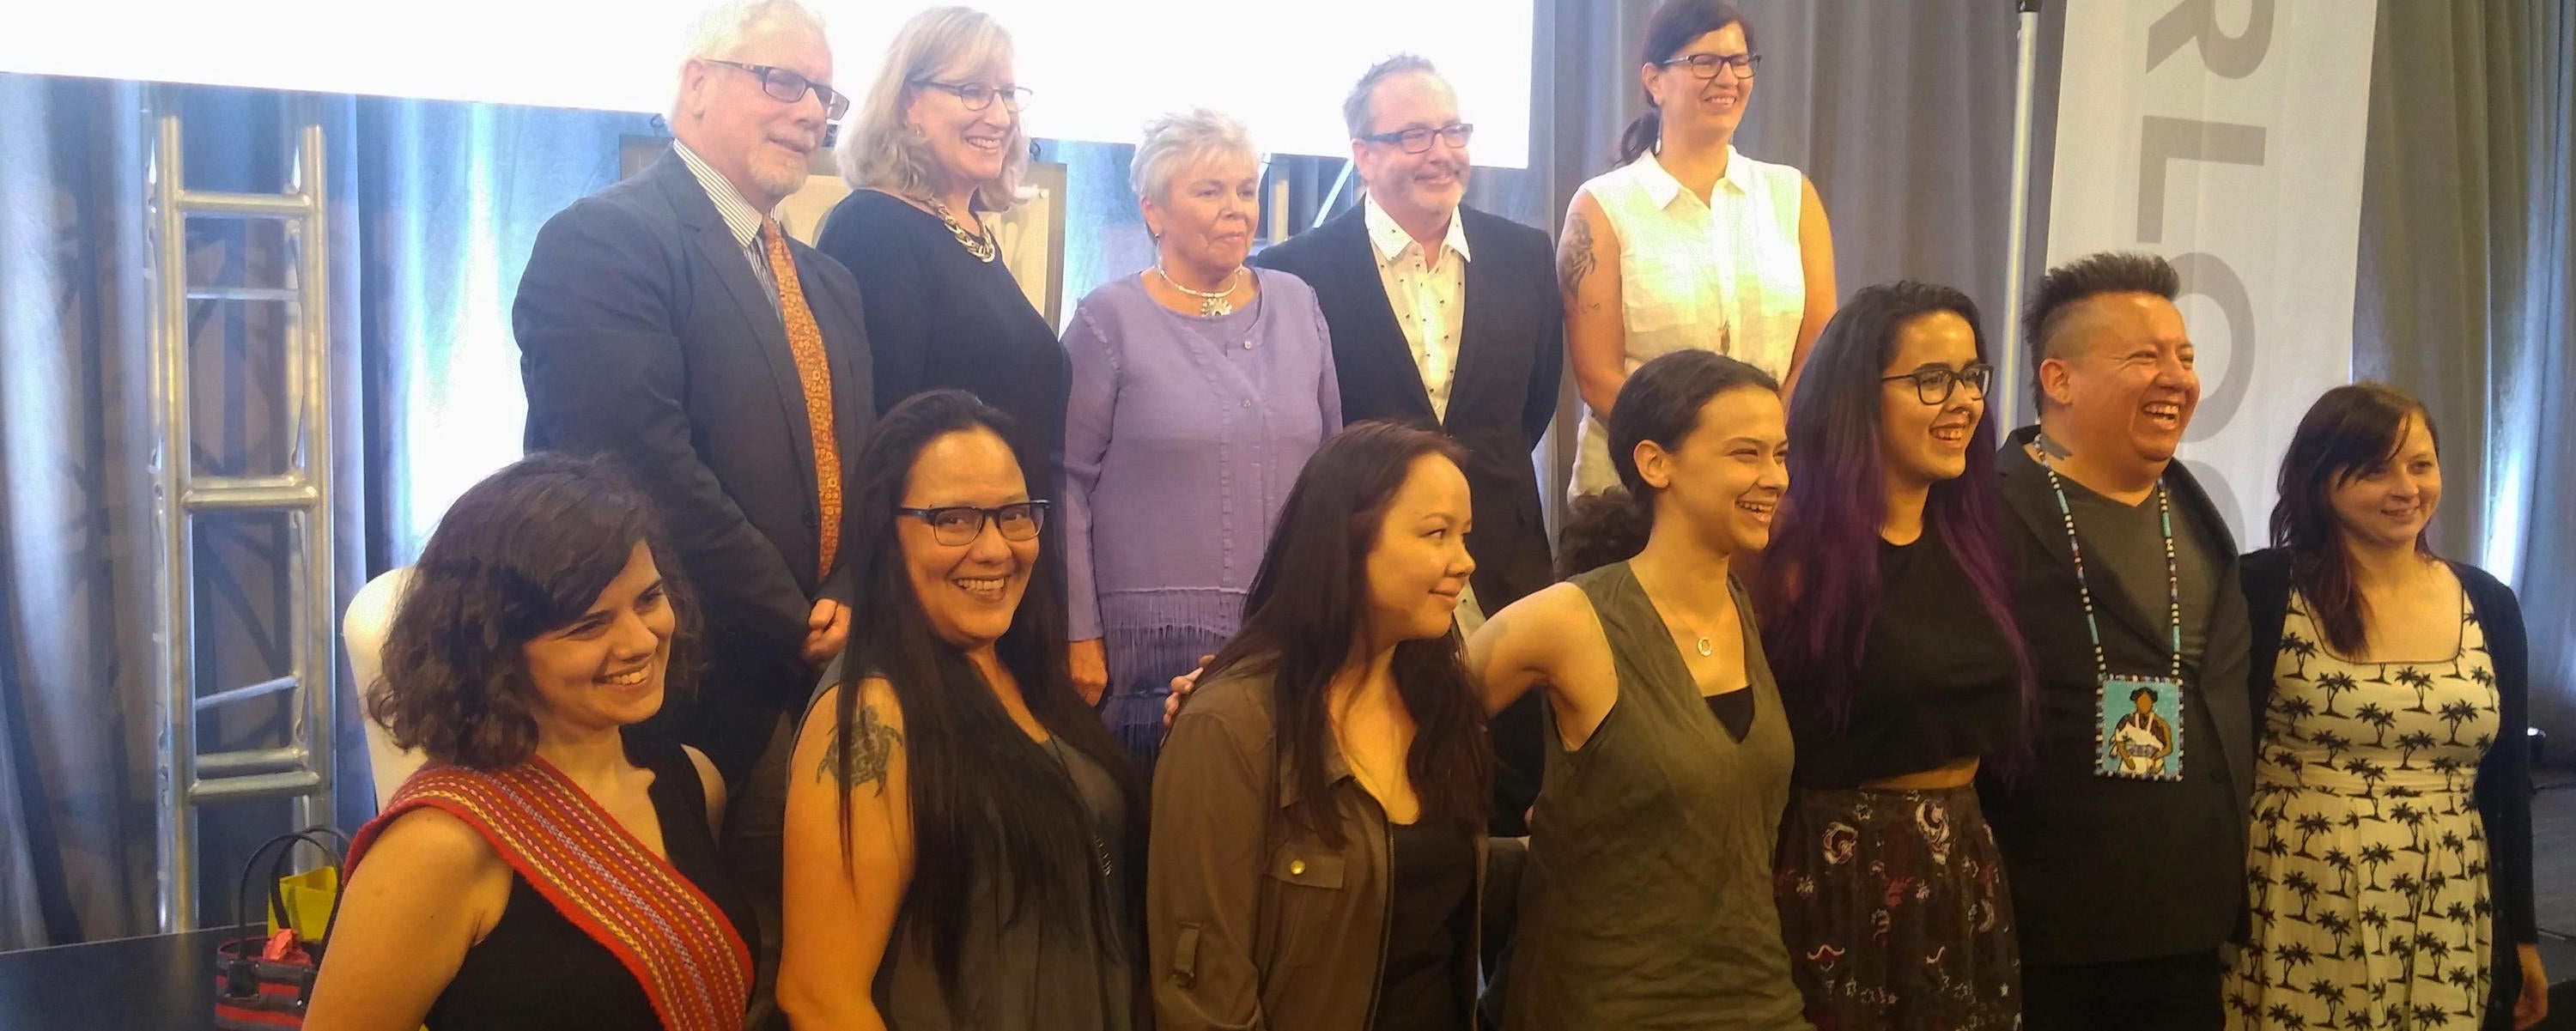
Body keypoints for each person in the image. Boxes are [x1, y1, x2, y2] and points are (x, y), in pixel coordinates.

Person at [512, 5, 866, 1004]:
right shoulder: (605, 242)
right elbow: (639, 473)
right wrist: (800, 618)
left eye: (824, 94)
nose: (808, 112)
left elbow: (859, 461)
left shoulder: (829, 282)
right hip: (672, 688)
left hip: (816, 689)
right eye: (781, 81)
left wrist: (846, 586)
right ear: (695, 84)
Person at [307, 456, 754, 1031]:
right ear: (495, 647)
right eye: (590, 624)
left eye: (648, 599)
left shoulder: (692, 780)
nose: (641, 638)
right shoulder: (434, 848)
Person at [1250, 55, 1564, 836]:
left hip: (1506, 561)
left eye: (1454, 131)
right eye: (1414, 134)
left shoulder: (1526, 255)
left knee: (1513, 786)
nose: (1442, 151)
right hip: (1370, 577)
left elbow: (1531, 407)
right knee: (1393, 790)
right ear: (1363, 155)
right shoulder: (1295, 272)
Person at [776, 391, 1144, 1031]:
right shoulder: (872, 715)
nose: (996, 548)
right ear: (886, 532)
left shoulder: (1024, 674)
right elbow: (820, 996)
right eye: (953, 519)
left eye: (1013, 514)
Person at [1470, 349, 1807, 1029]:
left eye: (1780, 453)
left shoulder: (1751, 605)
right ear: (1656, 463)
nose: (1774, 478)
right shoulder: (1570, 618)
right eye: (1746, 454)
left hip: (1756, 991)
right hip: (1602, 999)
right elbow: (1397, 723)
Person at [1981, 252, 2253, 1031]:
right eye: (2145, 356)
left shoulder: (2195, 510)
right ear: (2059, 379)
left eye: (2186, 357)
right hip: (2049, 930)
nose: (2177, 377)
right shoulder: (1988, 517)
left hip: (2188, 927)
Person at [1148, 421, 1495, 1031]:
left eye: (1465, 535)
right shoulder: (1232, 726)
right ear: (1347, 539)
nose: (1464, 561)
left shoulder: (1442, 703)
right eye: (1436, 533)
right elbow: (1203, 992)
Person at [1753, 282, 2032, 1029]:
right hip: (1839, 875)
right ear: (1856, 396)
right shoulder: (1790, 554)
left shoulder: (1973, 541)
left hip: (1961, 867)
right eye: (1932, 380)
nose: (1964, 402)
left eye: (1972, 376)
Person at [2227, 384, 2548, 1030]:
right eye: (2375, 469)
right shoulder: (2260, 590)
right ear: (2321, 481)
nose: (2406, 487)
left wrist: (2524, 936)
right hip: (2295, 897)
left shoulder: (2486, 599)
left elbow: (2508, 781)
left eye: (2420, 464)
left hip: (2450, 902)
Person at [1061, 108, 1342, 770]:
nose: (1237, 210)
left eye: (1246, 190)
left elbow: (1338, 470)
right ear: (1153, 211)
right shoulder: (1108, 320)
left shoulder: (1300, 304)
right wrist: (1077, 633)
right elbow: (1063, 481)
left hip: (1286, 638)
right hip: (1141, 664)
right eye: (1210, 192)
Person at [1558, 0, 1837, 498]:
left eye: (1740, 61)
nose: (1727, 78)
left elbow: (1818, 343)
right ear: (1654, 80)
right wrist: (1697, 455)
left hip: (1770, 477)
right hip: (1641, 482)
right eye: (1704, 62)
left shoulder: (1791, 194)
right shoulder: (1603, 205)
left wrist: (1760, 446)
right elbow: (1597, 376)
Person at [816, 6, 1066, 505]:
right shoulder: (874, 227)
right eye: (972, 91)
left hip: (1009, 534)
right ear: (908, 101)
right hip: (942, 548)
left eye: (1007, 94)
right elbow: (884, 438)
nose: (999, 116)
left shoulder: (972, 231)